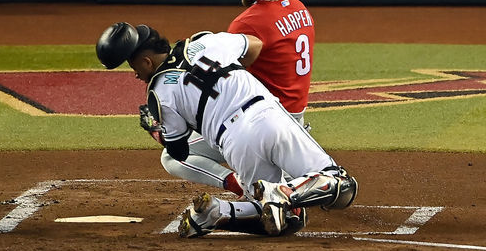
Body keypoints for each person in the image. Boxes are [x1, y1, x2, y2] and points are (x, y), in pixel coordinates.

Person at [96, 22, 358, 237]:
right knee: (341, 186)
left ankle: (219, 211)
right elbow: (254, 45)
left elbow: (178, 150)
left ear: (147, 62)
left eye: (133, 66)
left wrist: (155, 130)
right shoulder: (204, 41)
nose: (135, 74)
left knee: (287, 222)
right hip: (268, 115)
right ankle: (283, 193)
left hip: (234, 143)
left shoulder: (158, 94)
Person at [157, 0, 317, 204]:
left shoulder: (248, 21)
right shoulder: (299, 8)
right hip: (295, 118)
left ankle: (239, 184)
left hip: (261, 121)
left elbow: (224, 81)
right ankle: (293, 172)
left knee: (173, 156)